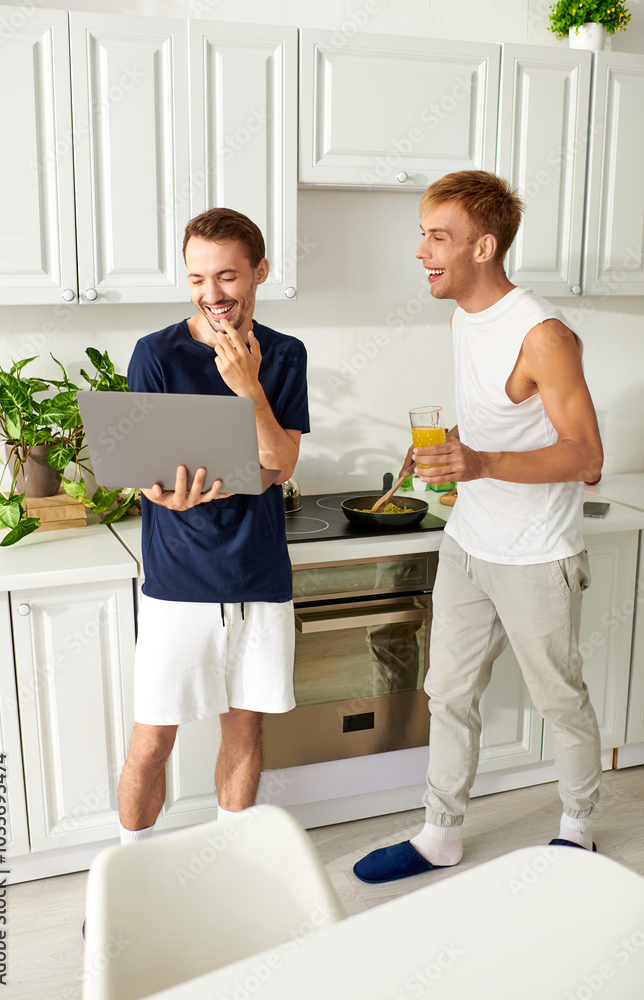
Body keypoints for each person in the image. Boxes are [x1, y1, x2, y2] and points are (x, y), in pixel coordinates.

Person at [354, 170, 603, 884]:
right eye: (423, 234)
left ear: (483, 247)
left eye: (437, 237)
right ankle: (440, 834)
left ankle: (578, 830)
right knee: (448, 693)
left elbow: (586, 458)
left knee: (559, 700)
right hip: (468, 543)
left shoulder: (543, 336)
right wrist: (451, 446)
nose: (420, 251)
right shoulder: (464, 316)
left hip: (535, 556)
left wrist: (481, 460)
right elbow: (501, 421)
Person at [117, 208, 310, 843]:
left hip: (258, 573)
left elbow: (280, 465)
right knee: (153, 738)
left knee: (245, 730)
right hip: (180, 579)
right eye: (197, 278)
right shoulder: (155, 354)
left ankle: (231, 860)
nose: (212, 293)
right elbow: (143, 469)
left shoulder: (284, 355)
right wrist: (160, 495)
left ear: (260, 271)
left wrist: (247, 387)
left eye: (227, 276)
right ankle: (132, 866)